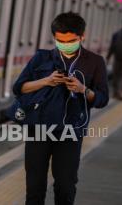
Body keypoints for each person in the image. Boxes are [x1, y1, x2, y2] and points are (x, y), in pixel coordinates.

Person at [12, 12, 109, 205]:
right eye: (60, 40)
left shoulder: (95, 62)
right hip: (39, 127)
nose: (65, 44)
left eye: (71, 40)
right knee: (34, 185)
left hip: (71, 130)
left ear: (82, 36)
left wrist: (83, 89)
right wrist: (45, 81)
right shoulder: (42, 58)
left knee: (65, 185)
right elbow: (19, 88)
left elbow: (102, 99)